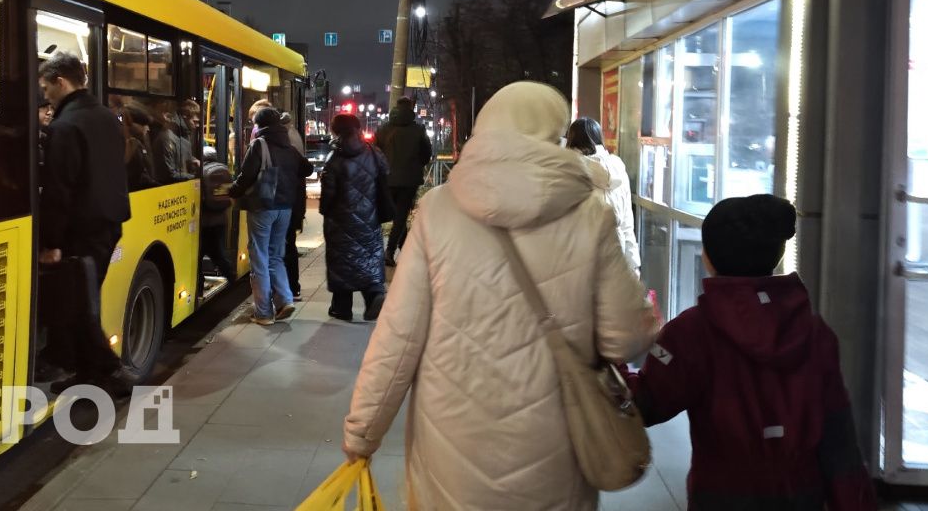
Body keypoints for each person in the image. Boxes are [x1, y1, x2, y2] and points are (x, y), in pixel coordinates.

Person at [342, 82, 657, 510]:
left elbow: (399, 338)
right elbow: (624, 339)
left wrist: (363, 432)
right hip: (555, 442)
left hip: (452, 445)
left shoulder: (438, 210)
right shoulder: (590, 214)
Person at [624, 195, 877, 510]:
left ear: (709, 257)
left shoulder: (691, 332)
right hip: (802, 495)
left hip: (720, 495)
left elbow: (647, 406)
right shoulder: (814, 331)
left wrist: (612, 362)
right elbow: (839, 439)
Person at [38, 53, 132, 392]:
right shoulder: (107, 117)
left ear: (61, 82)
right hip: (109, 224)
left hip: (82, 230)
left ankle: (113, 373)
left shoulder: (65, 126)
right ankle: (87, 374)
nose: (45, 94)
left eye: (46, 87)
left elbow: (59, 190)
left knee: (78, 305)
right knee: (82, 300)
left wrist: (51, 243)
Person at [228, 107, 313, 325]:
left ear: (260, 125)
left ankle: (264, 312)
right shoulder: (289, 146)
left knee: (260, 257)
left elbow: (245, 177)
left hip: (263, 207)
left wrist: (231, 191)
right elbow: (307, 169)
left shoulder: (260, 144)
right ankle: (285, 299)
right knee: (276, 256)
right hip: (285, 208)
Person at [321, 113, 389, 321]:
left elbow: (329, 195)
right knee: (368, 256)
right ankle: (374, 294)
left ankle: (341, 307)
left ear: (336, 131)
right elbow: (385, 175)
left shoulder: (334, 158)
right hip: (369, 217)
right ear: (357, 128)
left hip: (341, 220)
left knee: (343, 261)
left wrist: (325, 210)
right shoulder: (373, 152)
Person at [567, 117, 641, 270]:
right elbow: (627, 220)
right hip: (616, 251)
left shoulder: (569, 170)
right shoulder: (617, 166)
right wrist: (633, 264)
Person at [374, 96, 431, 266]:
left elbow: (376, 152)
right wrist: (416, 165)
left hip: (387, 179)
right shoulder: (418, 130)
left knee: (395, 215)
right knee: (400, 216)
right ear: (411, 108)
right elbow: (426, 154)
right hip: (409, 179)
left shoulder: (383, 129)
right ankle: (390, 250)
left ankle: (405, 249)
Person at [200, 146, 238, 285]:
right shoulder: (224, 170)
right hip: (221, 219)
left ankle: (199, 283)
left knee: (200, 253)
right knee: (219, 253)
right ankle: (231, 276)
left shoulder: (201, 172)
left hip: (205, 221)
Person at [281, 111, 307, 301]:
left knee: (277, 250)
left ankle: (283, 292)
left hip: (279, 205)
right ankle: (292, 287)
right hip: (292, 203)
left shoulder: (274, 145)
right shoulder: (294, 136)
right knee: (289, 246)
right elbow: (307, 169)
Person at [122, 104, 157, 191]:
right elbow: (140, 175)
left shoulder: (140, 143)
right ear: (132, 124)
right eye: (143, 124)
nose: (147, 128)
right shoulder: (133, 145)